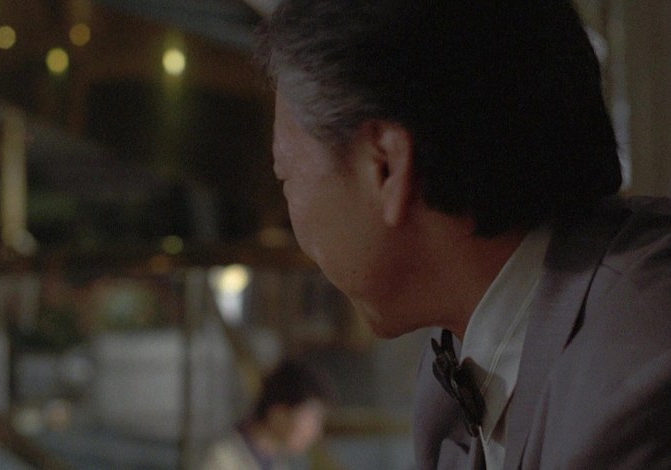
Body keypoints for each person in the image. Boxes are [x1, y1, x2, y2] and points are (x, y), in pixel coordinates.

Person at [255, 1, 671, 469]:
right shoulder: (462, 362)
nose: (293, 222)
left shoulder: (637, 374)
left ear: (385, 165)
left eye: (286, 175)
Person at [201, 359, 333, 470]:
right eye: (311, 418)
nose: (315, 432)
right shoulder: (222, 461)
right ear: (279, 413)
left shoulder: (278, 463)